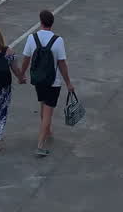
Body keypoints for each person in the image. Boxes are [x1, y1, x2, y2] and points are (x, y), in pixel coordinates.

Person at [20, 9, 74, 157]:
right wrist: (68, 82)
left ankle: (48, 131)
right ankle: (40, 144)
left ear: (40, 22)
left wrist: (21, 74)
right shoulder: (58, 40)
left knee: (43, 105)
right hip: (53, 81)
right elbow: (62, 64)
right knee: (48, 112)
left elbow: (26, 59)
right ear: (52, 23)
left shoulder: (32, 38)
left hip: (38, 80)